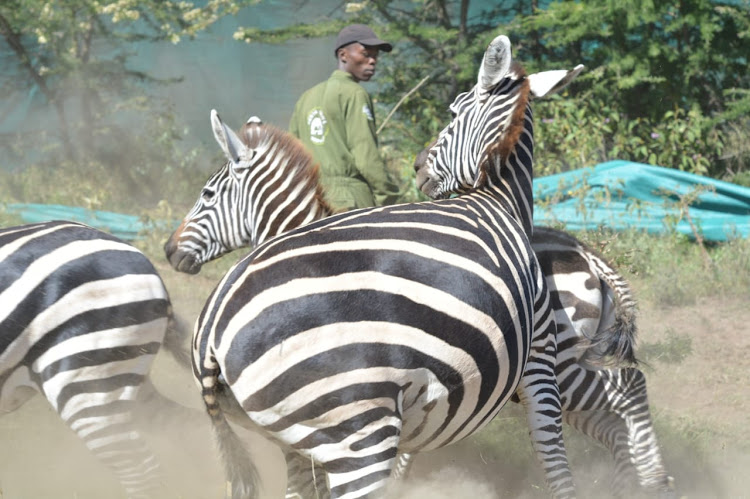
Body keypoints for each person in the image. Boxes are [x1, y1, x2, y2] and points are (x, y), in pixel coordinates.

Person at [289, 24, 401, 211]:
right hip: (350, 199)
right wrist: (388, 196)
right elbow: (365, 156)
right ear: (343, 55)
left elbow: (292, 155)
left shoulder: (305, 98)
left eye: (375, 55)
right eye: (366, 54)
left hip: (310, 201)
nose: (373, 61)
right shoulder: (355, 93)